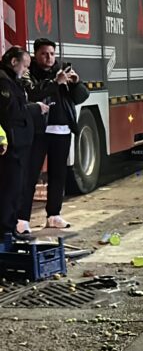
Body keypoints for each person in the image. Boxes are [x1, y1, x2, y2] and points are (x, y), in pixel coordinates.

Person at [21, 38, 89, 231]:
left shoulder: (63, 70)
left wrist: (76, 83)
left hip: (62, 130)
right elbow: (33, 95)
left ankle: (54, 215)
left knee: (58, 175)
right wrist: (54, 82)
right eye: (44, 53)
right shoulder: (29, 73)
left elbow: (81, 97)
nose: (49, 57)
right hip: (39, 131)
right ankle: (22, 219)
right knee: (30, 175)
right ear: (36, 54)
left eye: (52, 53)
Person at [0, 47, 49, 239]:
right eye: (25, 65)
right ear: (14, 62)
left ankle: (10, 229)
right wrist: (35, 109)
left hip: (18, 142)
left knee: (16, 187)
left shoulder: (12, 81)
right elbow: (11, 112)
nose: (26, 70)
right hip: (12, 144)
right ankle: (5, 230)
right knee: (10, 188)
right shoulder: (4, 81)